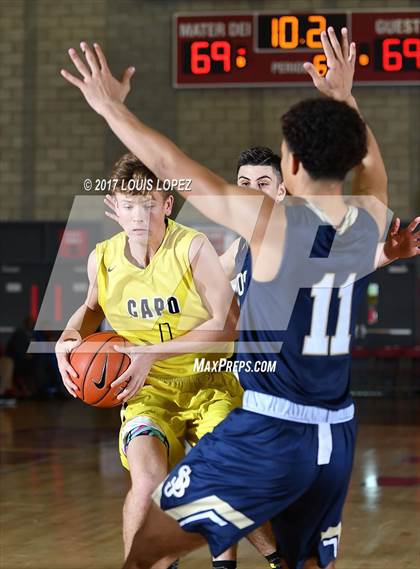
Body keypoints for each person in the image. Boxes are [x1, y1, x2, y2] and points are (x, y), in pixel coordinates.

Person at [61, 27, 420, 569]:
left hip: (272, 427)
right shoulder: (366, 218)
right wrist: (346, 98)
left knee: (148, 552)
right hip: (337, 433)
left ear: (291, 168)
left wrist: (111, 110)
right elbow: (372, 171)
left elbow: (173, 167)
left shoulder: (270, 225)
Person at [55, 155, 283, 569]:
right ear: (114, 206)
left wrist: (150, 352)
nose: (138, 215)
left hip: (210, 384)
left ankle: (277, 555)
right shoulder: (102, 258)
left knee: (225, 479)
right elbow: (90, 310)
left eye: (148, 204)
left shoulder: (192, 247)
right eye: (129, 205)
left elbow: (226, 325)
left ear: (167, 205)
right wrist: (68, 337)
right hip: (148, 393)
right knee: (146, 483)